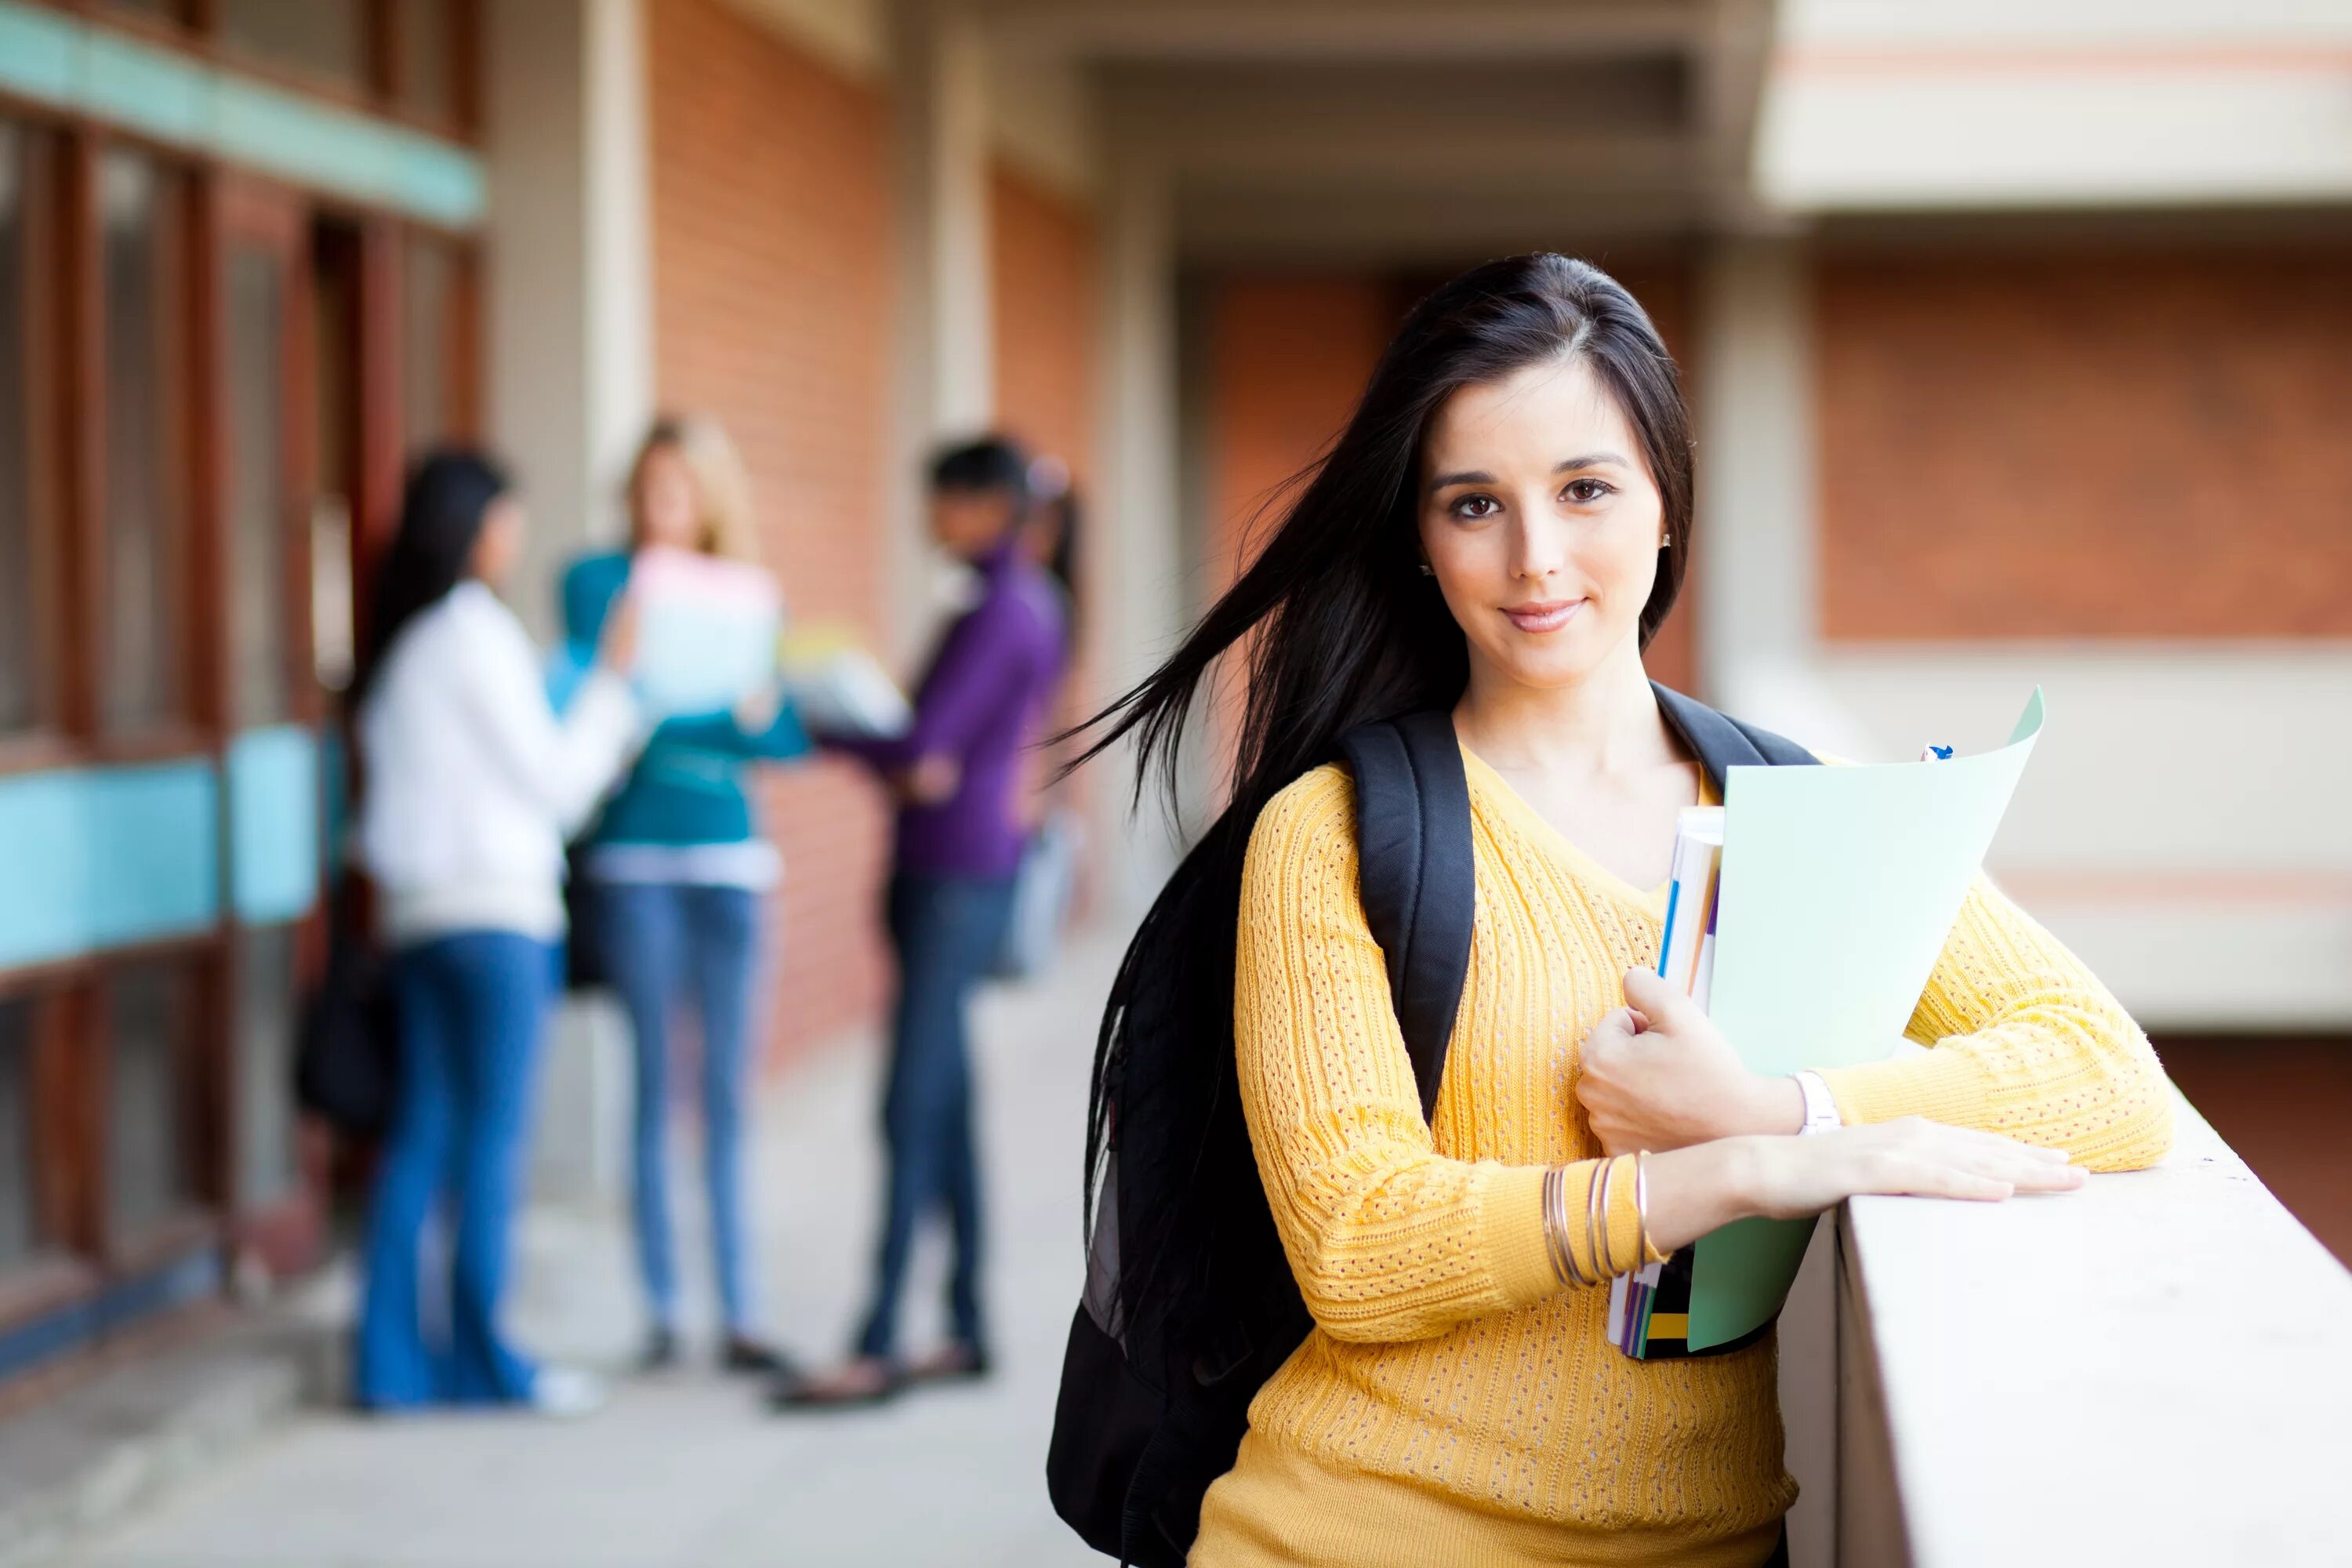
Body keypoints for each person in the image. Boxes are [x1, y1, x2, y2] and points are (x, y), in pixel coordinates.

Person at [1065, 254, 2176, 1565]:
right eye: (1474, 505)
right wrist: (1728, 1174)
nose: (1537, 559)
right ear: (1420, 542)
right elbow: (1360, 1244)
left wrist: (1780, 1107)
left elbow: (2109, 1079)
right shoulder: (1339, 830)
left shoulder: (1797, 813)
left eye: (1585, 489)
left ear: (1664, 506)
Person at [775, 436, 1071, 1408]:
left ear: (984, 503)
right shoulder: (1012, 598)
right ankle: (966, 1325)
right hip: (960, 869)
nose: (926, 515)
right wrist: (903, 753)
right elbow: (923, 748)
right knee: (941, 1101)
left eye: (938, 497)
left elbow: (923, 745)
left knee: (909, 1102)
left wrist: (815, 723)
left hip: (949, 876)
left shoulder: (1000, 605)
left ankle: (876, 1342)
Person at [350, 450, 643, 1415]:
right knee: (491, 1140)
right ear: (479, 528)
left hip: (421, 920)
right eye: (511, 520)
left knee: (423, 1135)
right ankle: (485, 1363)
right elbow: (556, 784)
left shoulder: (401, 647)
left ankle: (391, 1368)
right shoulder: (476, 632)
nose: (516, 539)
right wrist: (613, 689)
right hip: (500, 921)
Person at [562, 416, 814, 1377]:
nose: (657, 505)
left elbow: (781, 735)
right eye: (644, 486)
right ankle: (664, 1311)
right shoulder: (596, 582)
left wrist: (725, 716)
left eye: (677, 488)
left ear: (710, 498)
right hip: (635, 864)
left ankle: (741, 1312)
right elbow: (608, 703)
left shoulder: (748, 595)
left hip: (731, 863)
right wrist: (704, 716)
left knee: (726, 1096)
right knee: (652, 1090)